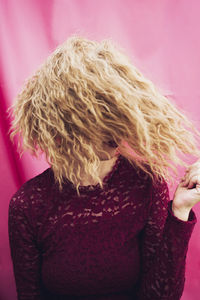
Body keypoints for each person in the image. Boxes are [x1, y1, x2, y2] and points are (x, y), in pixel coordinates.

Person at [8, 36, 200, 300]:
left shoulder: (146, 184)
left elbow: (160, 296)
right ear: (62, 124)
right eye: (96, 115)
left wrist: (179, 211)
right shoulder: (28, 205)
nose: (114, 132)